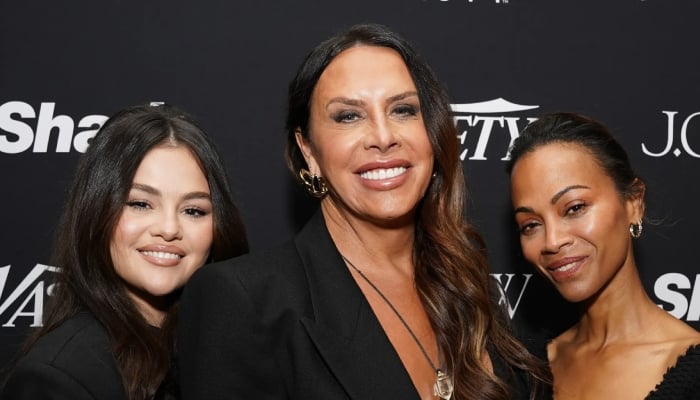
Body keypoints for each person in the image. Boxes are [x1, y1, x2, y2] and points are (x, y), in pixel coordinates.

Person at [178, 23, 548, 400]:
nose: (383, 136)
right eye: (348, 116)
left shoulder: (470, 285)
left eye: (403, 110)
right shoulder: (242, 302)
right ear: (308, 151)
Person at [0, 104, 249, 400]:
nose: (169, 229)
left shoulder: (226, 347)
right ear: (96, 211)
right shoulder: (59, 377)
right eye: (140, 204)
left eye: (193, 210)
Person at [506, 112, 700, 399]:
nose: (553, 241)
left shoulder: (692, 375)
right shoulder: (527, 374)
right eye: (531, 225)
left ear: (633, 204)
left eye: (574, 208)